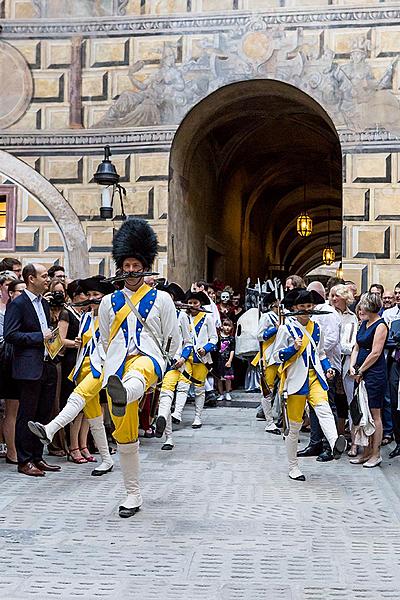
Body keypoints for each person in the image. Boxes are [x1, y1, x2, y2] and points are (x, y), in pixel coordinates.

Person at [99, 218, 180, 518]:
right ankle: (132, 493)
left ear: (145, 265)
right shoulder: (108, 302)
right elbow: (105, 338)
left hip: (150, 360)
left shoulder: (163, 299)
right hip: (116, 367)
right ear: (120, 267)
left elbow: (172, 336)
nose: (131, 270)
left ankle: (125, 393)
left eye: (136, 265)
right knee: (125, 435)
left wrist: (169, 367)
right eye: (127, 265)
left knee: (140, 372)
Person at [28, 275, 115, 477]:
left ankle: (49, 430)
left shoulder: (113, 317)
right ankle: (107, 460)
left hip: (100, 368)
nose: (92, 298)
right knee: (94, 418)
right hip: (81, 369)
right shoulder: (85, 317)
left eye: (96, 295)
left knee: (77, 397)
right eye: (90, 294)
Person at [273, 289, 346, 481]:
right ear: (294, 308)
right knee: (295, 426)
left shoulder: (317, 328)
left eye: (309, 306)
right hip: (295, 381)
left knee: (324, 409)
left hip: (315, 377)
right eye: (302, 306)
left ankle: (334, 442)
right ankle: (293, 467)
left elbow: (320, 354)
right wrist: (293, 348)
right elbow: (276, 356)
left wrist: (328, 367)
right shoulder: (285, 329)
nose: (306, 310)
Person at [4, 263, 61, 477]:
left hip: (46, 364)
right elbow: (10, 335)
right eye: (44, 276)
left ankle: (38, 456)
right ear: (31, 279)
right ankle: (24, 460)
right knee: (26, 415)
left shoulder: (44, 304)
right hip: (28, 367)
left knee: (43, 414)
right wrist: (40, 338)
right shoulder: (18, 304)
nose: (48, 280)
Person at [297, 281, 341, 462]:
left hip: (325, 365)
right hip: (310, 367)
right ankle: (315, 443)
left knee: (326, 406)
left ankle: (328, 446)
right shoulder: (311, 314)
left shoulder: (328, 313)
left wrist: (312, 352)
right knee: (313, 407)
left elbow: (330, 340)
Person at [349, 292, 388, 467]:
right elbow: (356, 347)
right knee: (362, 412)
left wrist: (361, 369)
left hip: (374, 374)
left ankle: (376, 453)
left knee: (374, 414)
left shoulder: (380, 326)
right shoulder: (364, 323)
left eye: (362, 305)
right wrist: (352, 366)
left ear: (370, 306)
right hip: (360, 373)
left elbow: (376, 353)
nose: (360, 308)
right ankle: (365, 452)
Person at [171, 289, 218, 428]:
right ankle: (177, 413)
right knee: (183, 385)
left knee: (199, 388)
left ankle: (198, 417)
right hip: (185, 357)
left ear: (200, 303)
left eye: (195, 302)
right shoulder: (182, 317)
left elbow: (214, 338)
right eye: (189, 302)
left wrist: (206, 348)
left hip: (201, 358)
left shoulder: (207, 318)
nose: (192, 305)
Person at [154, 282, 192, 450]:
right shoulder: (152, 315)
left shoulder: (181, 316)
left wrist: (183, 358)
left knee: (167, 391)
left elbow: (188, 342)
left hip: (174, 362)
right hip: (155, 361)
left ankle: (166, 432)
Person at [329, 284, 358, 450]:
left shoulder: (351, 317)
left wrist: (338, 346)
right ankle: (333, 438)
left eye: (336, 296)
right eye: (332, 295)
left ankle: (351, 440)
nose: (333, 299)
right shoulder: (327, 313)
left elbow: (351, 343)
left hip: (345, 363)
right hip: (330, 362)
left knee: (347, 400)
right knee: (332, 400)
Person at [0, 278, 26, 464]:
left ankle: (16, 448)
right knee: (11, 409)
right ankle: (12, 450)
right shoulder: (12, 310)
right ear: (10, 293)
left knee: (19, 409)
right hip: (8, 363)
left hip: (21, 363)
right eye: (20, 291)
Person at [252, 290, 281, 434]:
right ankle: (269, 422)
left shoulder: (284, 317)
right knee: (267, 390)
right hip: (269, 357)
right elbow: (259, 336)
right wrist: (273, 330)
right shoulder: (266, 317)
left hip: (283, 356)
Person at [383, 282, 400, 459]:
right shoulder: (391, 317)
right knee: (394, 402)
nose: (397, 296)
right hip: (395, 362)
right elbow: (386, 340)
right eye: (396, 292)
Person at [216, 318, 235, 401]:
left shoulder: (231, 338)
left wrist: (230, 361)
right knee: (219, 378)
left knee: (228, 378)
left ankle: (227, 393)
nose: (227, 328)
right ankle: (221, 394)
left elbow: (232, 350)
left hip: (227, 360)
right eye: (225, 325)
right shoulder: (218, 337)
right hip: (218, 360)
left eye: (229, 326)